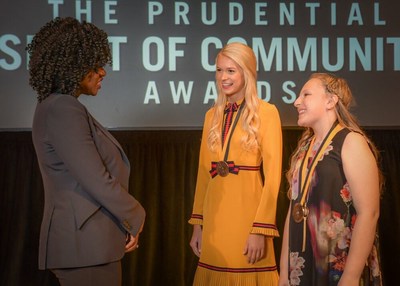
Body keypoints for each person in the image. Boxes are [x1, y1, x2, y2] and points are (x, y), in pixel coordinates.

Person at [27, 17, 146, 286]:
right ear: (72, 66)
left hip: (88, 245)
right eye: (94, 66)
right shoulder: (62, 108)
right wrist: (136, 215)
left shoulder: (59, 107)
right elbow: (96, 178)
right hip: (84, 246)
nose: (103, 72)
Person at [189, 42, 283, 285]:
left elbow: (273, 179)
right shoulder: (211, 115)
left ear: (247, 72)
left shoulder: (267, 112)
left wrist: (260, 230)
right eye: (219, 70)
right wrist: (197, 225)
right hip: (215, 220)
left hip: (248, 219)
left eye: (231, 70)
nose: (223, 77)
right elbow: (203, 174)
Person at [278, 73, 383, 286]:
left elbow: (369, 213)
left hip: (340, 266)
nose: (296, 101)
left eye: (306, 94)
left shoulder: (351, 141)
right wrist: (284, 272)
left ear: (330, 100)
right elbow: (294, 210)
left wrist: (351, 277)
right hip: (303, 265)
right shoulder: (304, 150)